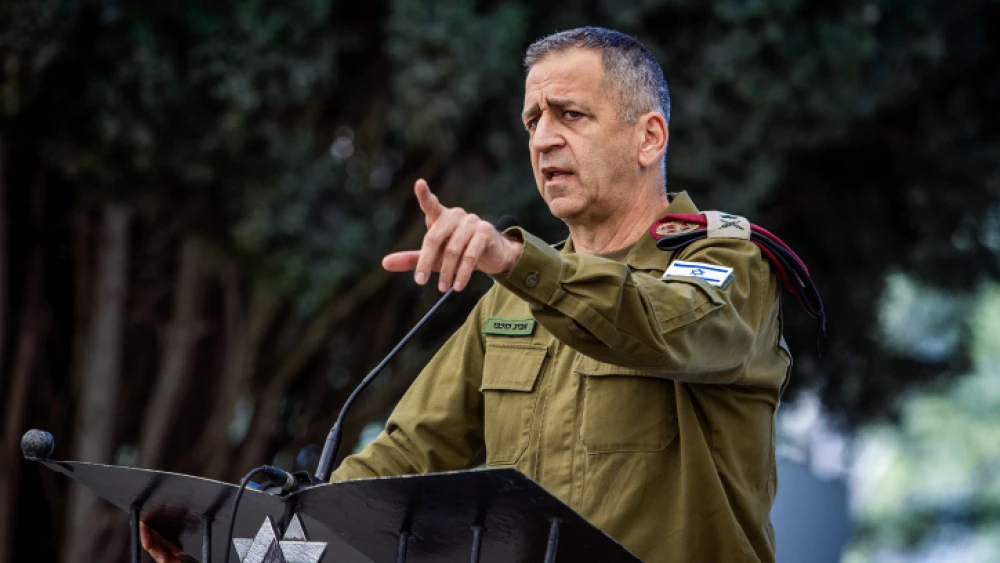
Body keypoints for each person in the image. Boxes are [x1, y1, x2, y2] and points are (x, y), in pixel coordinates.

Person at [145, 26, 791, 563]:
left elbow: (659, 326)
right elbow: (404, 457)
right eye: (533, 119)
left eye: (570, 114)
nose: (541, 138)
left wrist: (516, 260)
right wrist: (239, 535)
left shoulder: (729, 263)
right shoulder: (511, 302)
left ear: (648, 136)